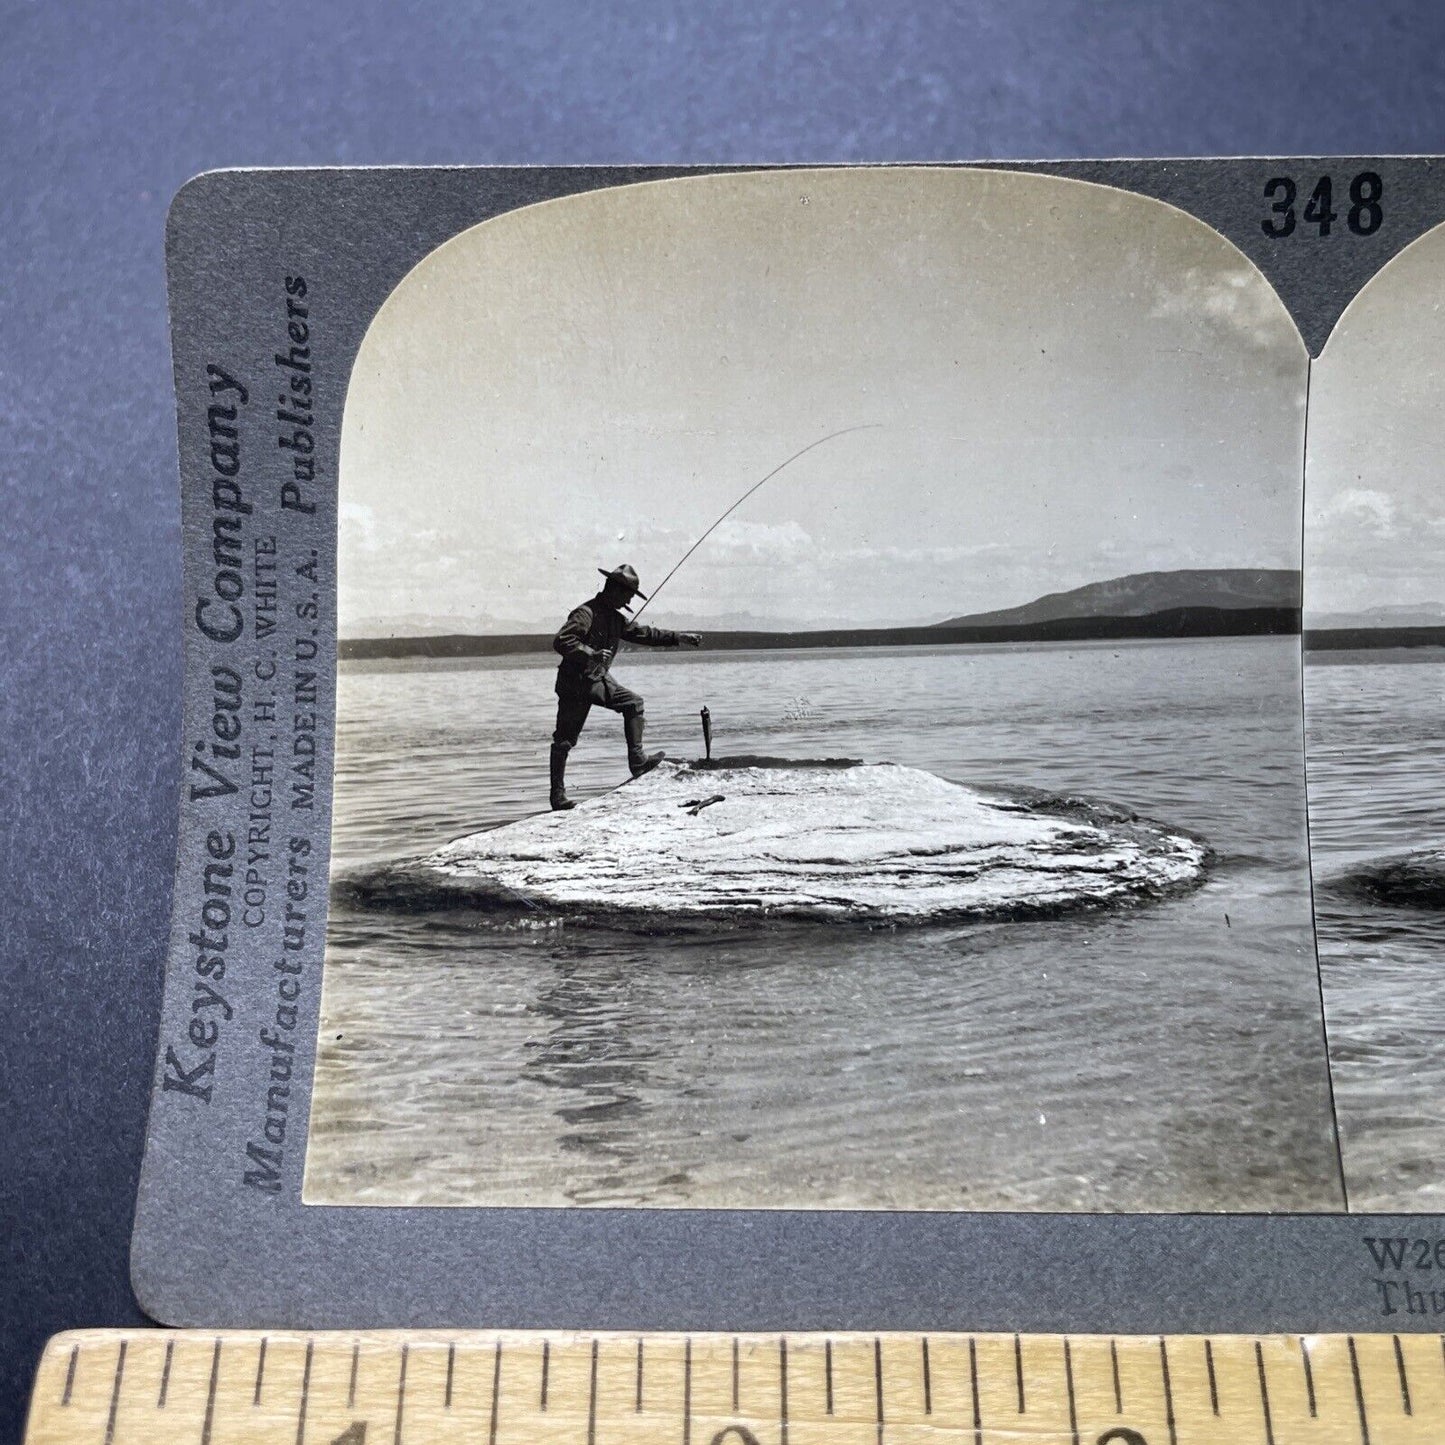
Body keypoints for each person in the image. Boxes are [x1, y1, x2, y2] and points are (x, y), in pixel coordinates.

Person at [549, 565, 701, 810]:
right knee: (565, 740)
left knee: (633, 703)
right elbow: (562, 641)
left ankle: (638, 762)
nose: (631, 599)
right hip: (574, 684)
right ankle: (557, 797)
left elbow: (644, 634)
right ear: (616, 590)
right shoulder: (585, 613)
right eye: (629, 594)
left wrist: (679, 637)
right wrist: (591, 654)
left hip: (597, 680)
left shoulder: (615, 618)